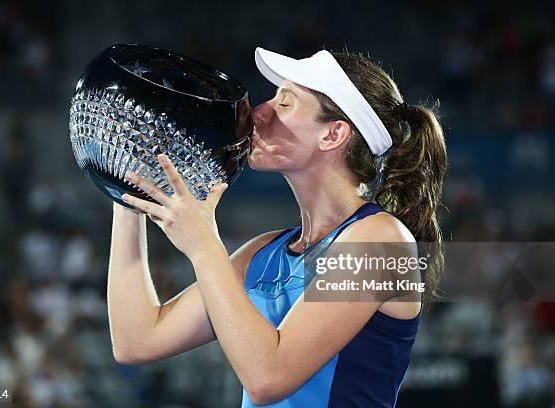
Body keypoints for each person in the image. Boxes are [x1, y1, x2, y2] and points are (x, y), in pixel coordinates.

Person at [107, 47, 447, 407]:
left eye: (285, 102)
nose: (259, 111)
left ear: (332, 135)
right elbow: (136, 340)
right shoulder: (263, 251)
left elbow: (268, 378)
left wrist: (204, 247)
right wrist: (127, 185)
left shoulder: (382, 240)